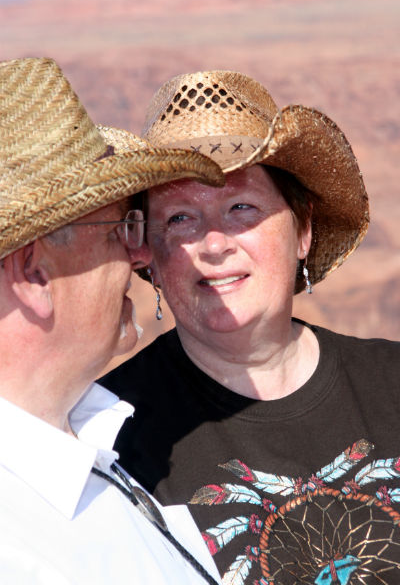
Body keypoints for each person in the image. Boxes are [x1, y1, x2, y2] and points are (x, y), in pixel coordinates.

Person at [101, 70, 400, 585]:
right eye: (180, 218)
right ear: (149, 254)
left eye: (241, 208)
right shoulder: (107, 438)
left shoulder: (391, 382)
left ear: (303, 230)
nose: (215, 244)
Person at [0, 58, 224, 585]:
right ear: (34, 275)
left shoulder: (81, 449)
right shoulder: (16, 549)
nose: (141, 255)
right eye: (117, 228)